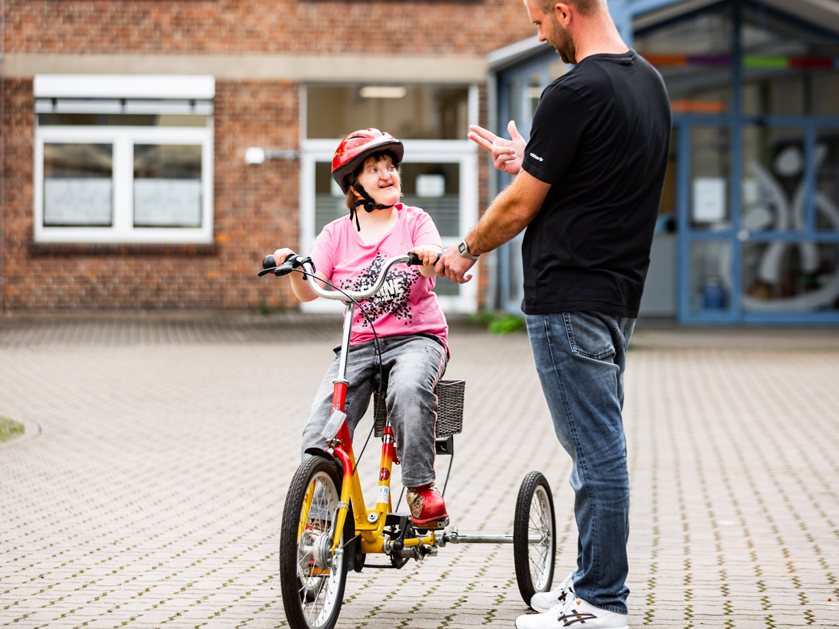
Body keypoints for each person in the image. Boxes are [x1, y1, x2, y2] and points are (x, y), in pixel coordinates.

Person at [437, 0, 671, 627]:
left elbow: (519, 209)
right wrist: (533, 160)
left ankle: (600, 602)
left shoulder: (573, 91)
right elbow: (602, 179)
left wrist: (465, 250)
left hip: (568, 297)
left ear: (564, 11)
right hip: (617, 298)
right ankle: (591, 584)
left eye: (539, 21)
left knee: (595, 454)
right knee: (599, 446)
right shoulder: (649, 85)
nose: (539, 35)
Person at [274, 128, 450, 527]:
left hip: (416, 339)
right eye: (374, 169)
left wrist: (428, 255)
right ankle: (320, 518)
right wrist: (295, 269)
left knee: (408, 389)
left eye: (391, 166)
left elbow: (431, 265)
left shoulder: (416, 222)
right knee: (321, 424)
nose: (388, 174)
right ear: (354, 184)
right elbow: (311, 289)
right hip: (358, 345)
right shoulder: (335, 234)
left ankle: (420, 488)